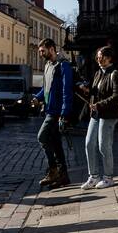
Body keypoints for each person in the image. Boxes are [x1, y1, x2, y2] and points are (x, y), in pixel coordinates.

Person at [78, 46, 118, 190]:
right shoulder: (98, 73)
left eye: (101, 57)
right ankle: (93, 176)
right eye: (97, 57)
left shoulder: (115, 74)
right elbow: (94, 91)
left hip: (109, 115)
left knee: (104, 145)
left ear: (109, 58)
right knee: (89, 143)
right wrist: (86, 90)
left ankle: (108, 177)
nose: (98, 59)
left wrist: (100, 104)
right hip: (96, 114)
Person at [35, 38, 74, 189]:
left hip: (56, 111)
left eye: (42, 51)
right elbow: (46, 88)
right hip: (48, 110)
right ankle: (64, 176)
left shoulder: (63, 65)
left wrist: (65, 112)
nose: (41, 54)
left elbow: (67, 89)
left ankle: (53, 170)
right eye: (39, 51)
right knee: (56, 144)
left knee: (42, 137)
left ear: (51, 49)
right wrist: (37, 97)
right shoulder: (48, 65)